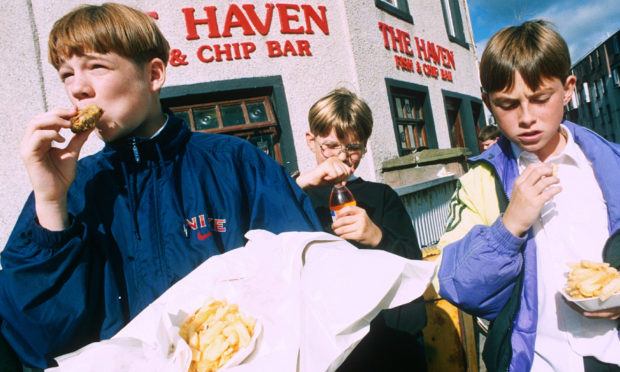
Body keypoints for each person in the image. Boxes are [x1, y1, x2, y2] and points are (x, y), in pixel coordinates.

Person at [0, 3, 321, 369]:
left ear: (153, 74)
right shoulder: (74, 188)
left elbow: (303, 279)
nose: (78, 88)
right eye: (66, 74)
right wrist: (50, 200)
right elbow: (38, 340)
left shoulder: (235, 162)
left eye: (96, 67)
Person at [436, 20, 620, 372]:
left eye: (540, 99)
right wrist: (509, 226)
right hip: (535, 361)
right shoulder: (479, 182)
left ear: (567, 89)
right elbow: (454, 284)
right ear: (487, 102)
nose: (526, 118)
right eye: (508, 104)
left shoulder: (611, 164)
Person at [295, 88, 427, 371]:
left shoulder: (382, 196)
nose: (342, 158)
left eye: (353, 148)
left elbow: (414, 266)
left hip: (382, 344)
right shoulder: (296, 194)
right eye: (330, 146)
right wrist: (304, 182)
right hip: (323, 344)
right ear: (310, 140)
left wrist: (377, 237)